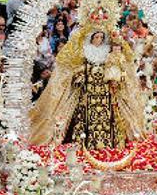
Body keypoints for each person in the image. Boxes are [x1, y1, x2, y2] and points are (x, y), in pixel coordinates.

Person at [29, 15, 146, 149]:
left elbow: (117, 64)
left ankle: (107, 144)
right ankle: (84, 143)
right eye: (96, 37)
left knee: (107, 117)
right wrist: (82, 73)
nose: (99, 40)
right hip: (87, 90)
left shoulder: (107, 51)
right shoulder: (84, 51)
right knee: (85, 117)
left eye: (101, 37)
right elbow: (74, 67)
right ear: (91, 37)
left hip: (105, 90)